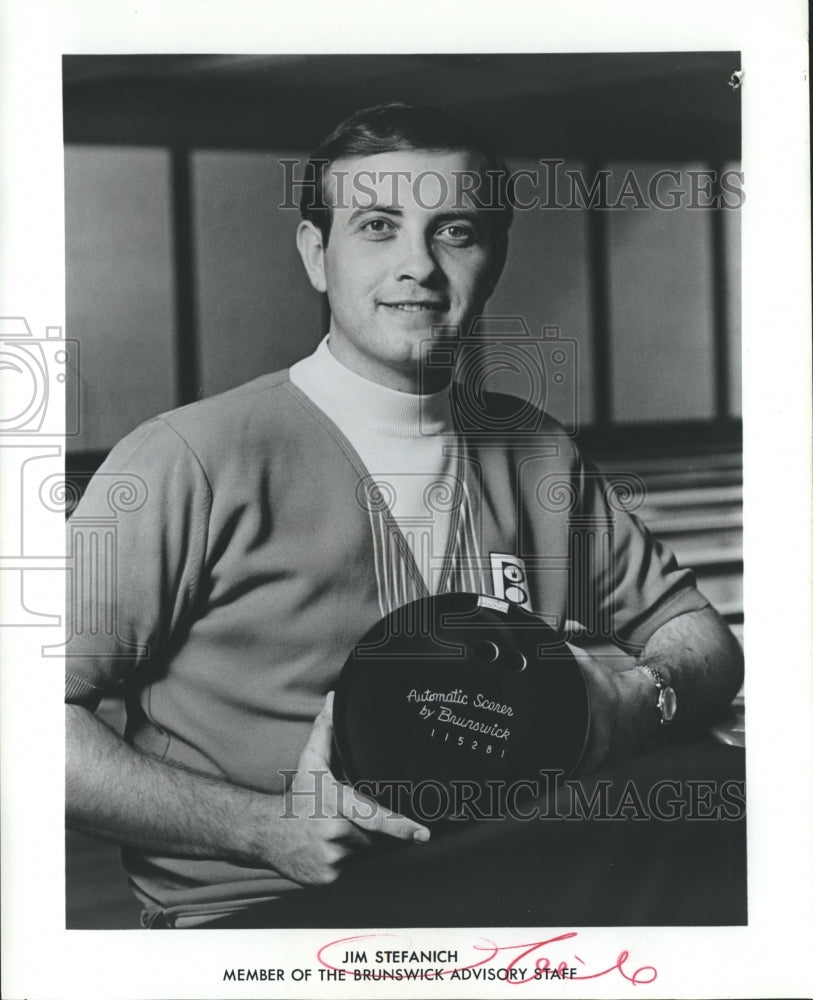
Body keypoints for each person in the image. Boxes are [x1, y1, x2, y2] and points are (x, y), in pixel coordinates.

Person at [65, 103, 744, 929]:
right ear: (318, 256)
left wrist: (642, 698)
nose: (416, 265)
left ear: (492, 257)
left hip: (500, 873)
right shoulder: (188, 459)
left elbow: (700, 639)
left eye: (454, 230)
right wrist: (263, 830)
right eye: (378, 227)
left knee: (727, 795)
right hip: (269, 909)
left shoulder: (533, 451)